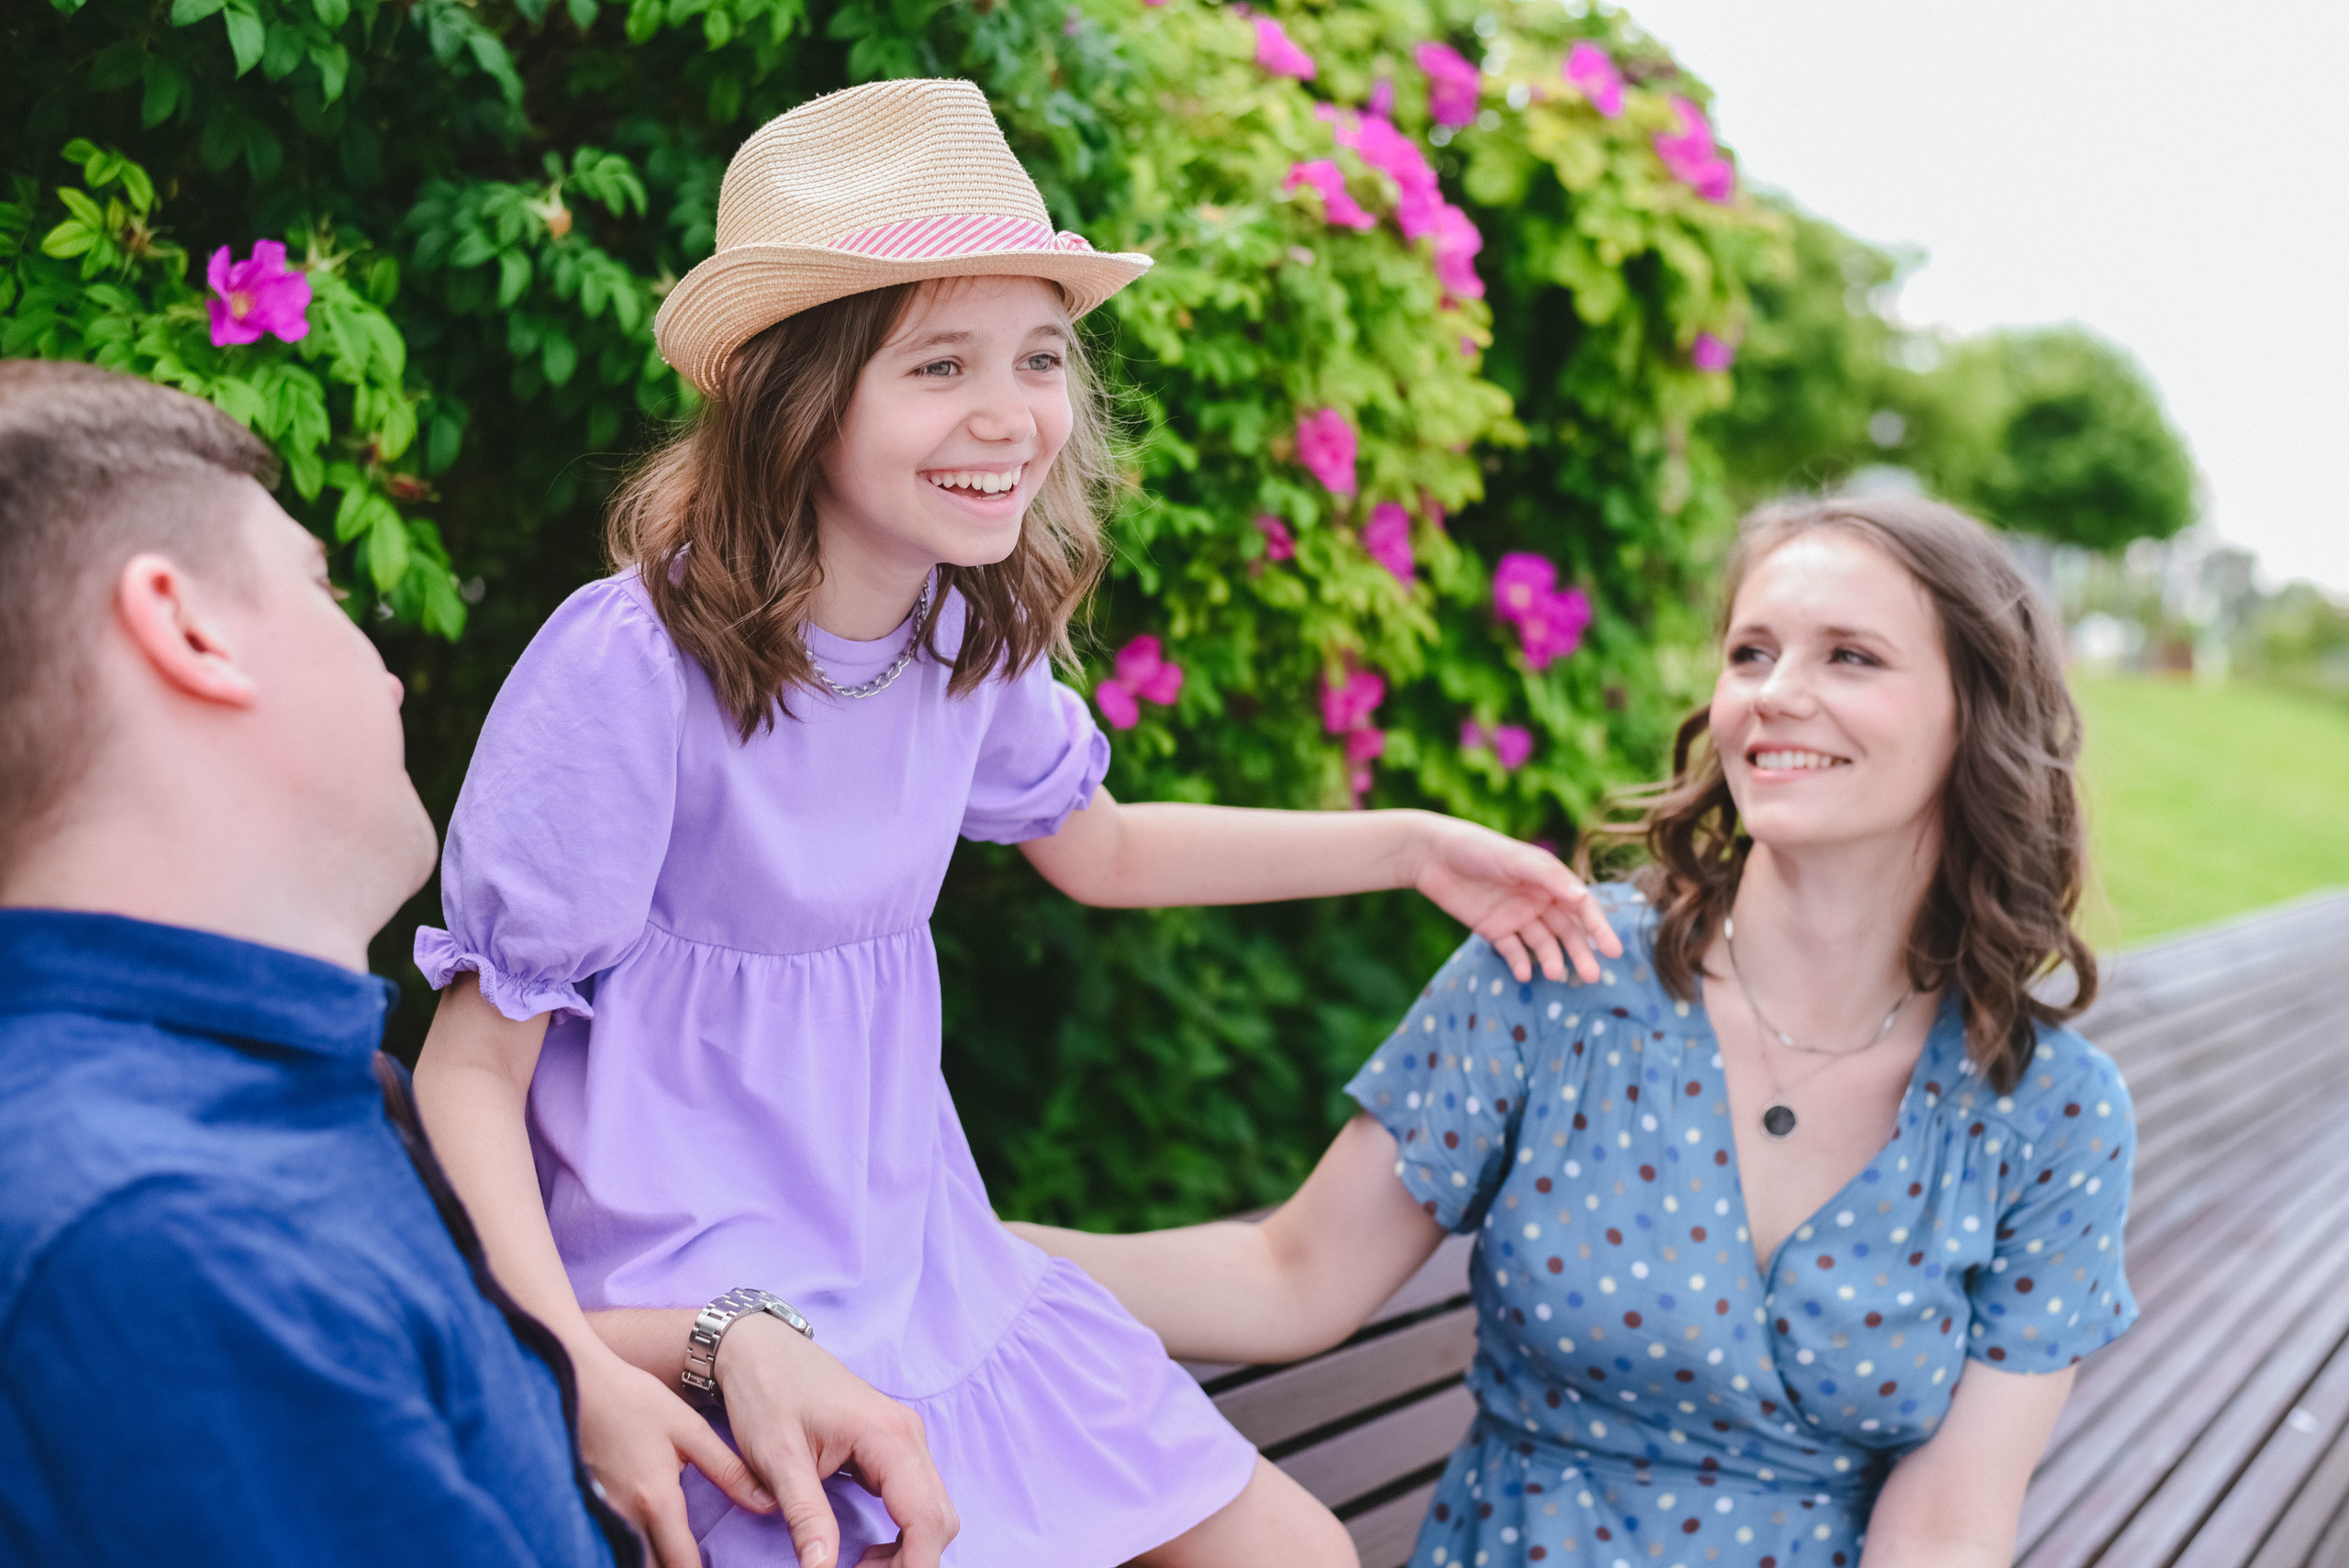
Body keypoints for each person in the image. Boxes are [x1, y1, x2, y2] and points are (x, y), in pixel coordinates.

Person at [409, 77, 1622, 1568]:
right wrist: (574, 1365)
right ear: (798, 398)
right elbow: (474, 1062)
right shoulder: (634, 664)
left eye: (1041, 355)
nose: (1011, 415)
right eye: (939, 364)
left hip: (922, 1264)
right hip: (689, 1289)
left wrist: (1410, 842)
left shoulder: (959, 628)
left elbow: (1098, 846)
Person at [1017, 495, 2140, 1568]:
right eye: (1752, 652)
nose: (1776, 693)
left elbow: (1944, 1530)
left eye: (1851, 655)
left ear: (1975, 712)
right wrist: (929, 1262)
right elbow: (1291, 1273)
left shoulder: (2049, 1114)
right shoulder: (1561, 969)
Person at [0, 359, 636, 1565]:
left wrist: (720, 1339)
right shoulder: (164, 1234)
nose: (386, 669)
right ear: (185, 627)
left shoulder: (263, 1101)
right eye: (325, 588)